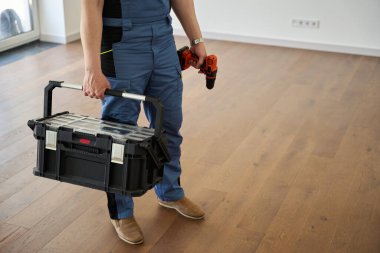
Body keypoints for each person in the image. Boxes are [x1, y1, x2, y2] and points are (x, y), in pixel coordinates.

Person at [80, 0, 206, 245]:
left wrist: (196, 40)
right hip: (119, 42)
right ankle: (121, 211)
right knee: (119, 135)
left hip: (162, 37)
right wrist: (91, 68)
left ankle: (170, 192)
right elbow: (91, 6)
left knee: (169, 126)